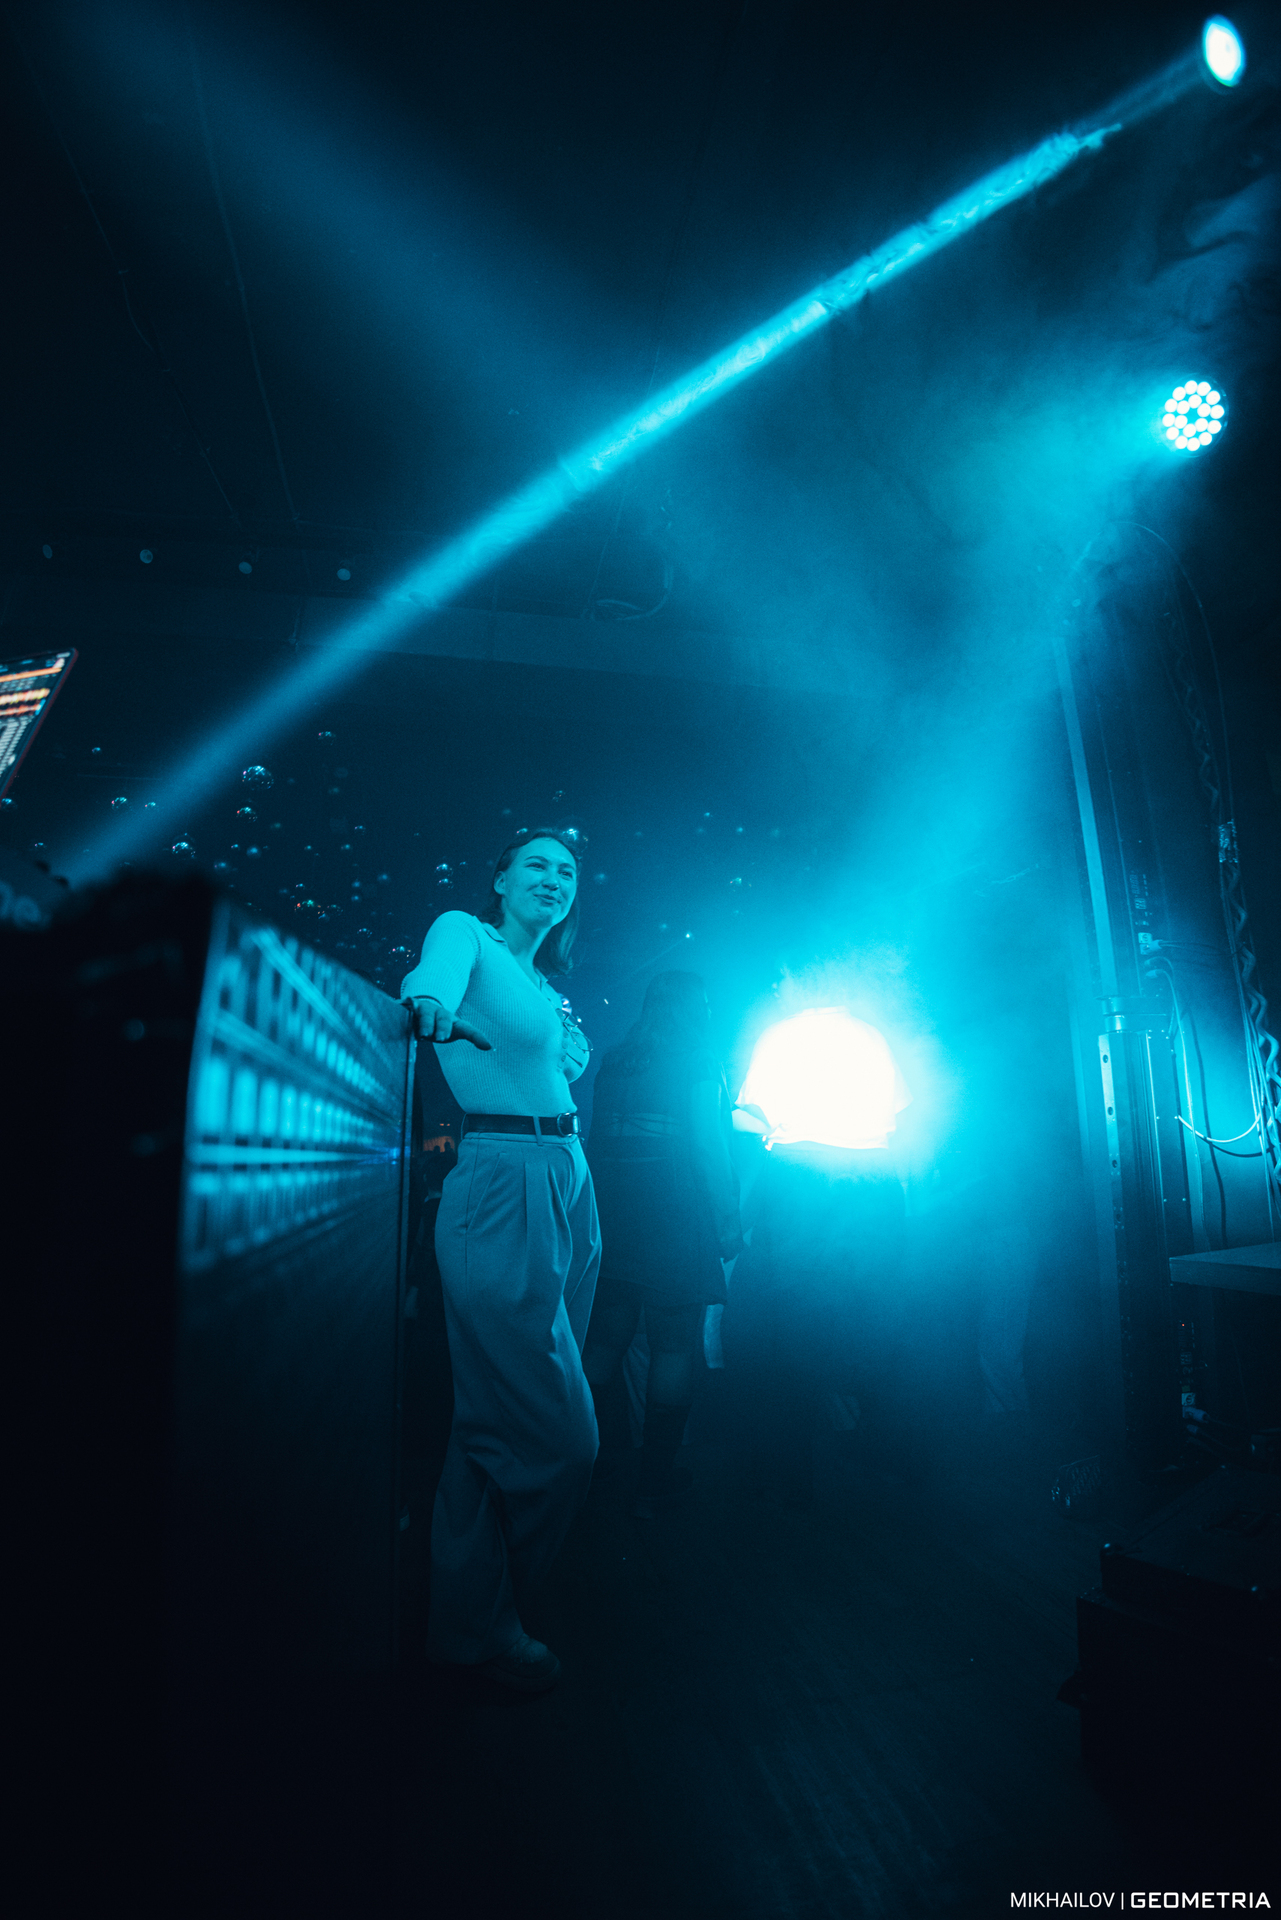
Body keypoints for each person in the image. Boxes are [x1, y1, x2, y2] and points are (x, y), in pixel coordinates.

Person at [400, 828, 597, 1693]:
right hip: (504, 1175)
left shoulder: (541, 983)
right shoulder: (466, 933)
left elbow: (541, 1065)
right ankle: (495, 1612)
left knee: (490, 1418)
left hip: (565, 1176)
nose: (554, 878)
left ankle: (469, 1624)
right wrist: (428, 1004)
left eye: (567, 871)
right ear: (501, 878)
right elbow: (430, 980)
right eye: (537, 865)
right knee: (562, 1438)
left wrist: (563, 1046)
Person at [729, 1005, 911, 1505]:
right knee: (875, 1313)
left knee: (789, 1322)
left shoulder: (780, 1032)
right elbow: (897, 1118)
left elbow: (748, 1118)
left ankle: (791, 1476)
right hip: (872, 1180)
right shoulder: (872, 1031)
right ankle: (884, 1459)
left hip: (803, 1178)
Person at [581, 972, 742, 1518]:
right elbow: (709, 1146)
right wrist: (728, 1221)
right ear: (694, 1009)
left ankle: (588, 1462)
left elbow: (597, 1140)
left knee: (604, 1342)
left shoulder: (616, 1061)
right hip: (675, 1212)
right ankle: (654, 1480)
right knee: (673, 1347)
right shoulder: (698, 1060)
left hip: (614, 1212)